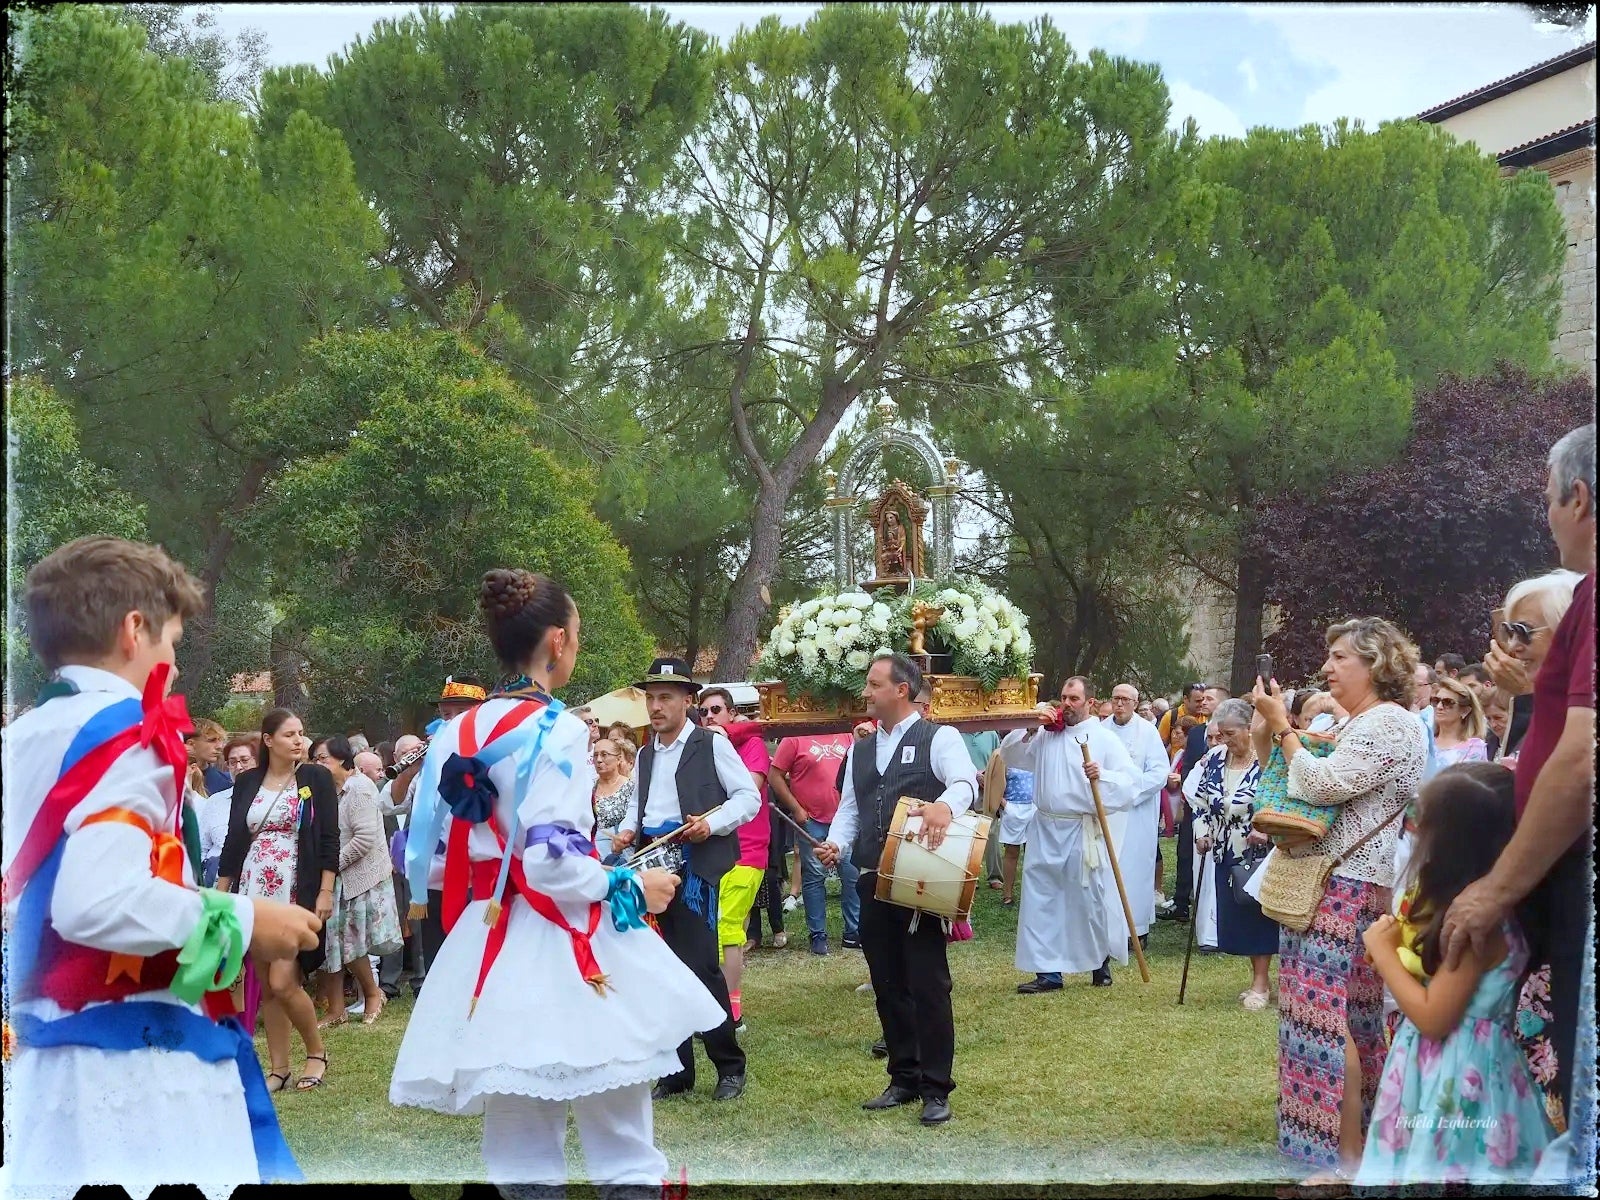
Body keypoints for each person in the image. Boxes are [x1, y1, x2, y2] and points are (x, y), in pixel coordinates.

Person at [389, 570, 725, 1197]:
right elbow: (550, 860)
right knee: (620, 1136)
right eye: (577, 634)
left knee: (519, 1144)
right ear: (556, 640)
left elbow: (435, 853)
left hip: (488, 939)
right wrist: (627, 886)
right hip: (564, 933)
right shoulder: (560, 729)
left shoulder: (456, 732)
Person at [2, 536, 318, 1196]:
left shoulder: (24, 735)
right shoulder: (132, 733)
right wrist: (244, 917)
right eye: (171, 640)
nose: (173, 664)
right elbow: (96, 900)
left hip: (49, 1048)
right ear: (133, 629)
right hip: (137, 1059)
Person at [1443, 423, 1595, 1149]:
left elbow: (1578, 759)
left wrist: (1496, 888)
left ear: (1579, 496)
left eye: (1523, 633)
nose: (1506, 646)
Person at [1251, 618, 1427, 1186]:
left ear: (1375, 663)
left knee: (1326, 1020)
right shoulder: (1361, 722)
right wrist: (1273, 728)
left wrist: (1284, 731)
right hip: (1342, 883)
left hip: (1341, 886)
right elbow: (1292, 776)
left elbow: (1322, 787)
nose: (1326, 668)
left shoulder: (1391, 722)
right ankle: (1356, 1145)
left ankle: (1343, 1159)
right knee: (1344, 1018)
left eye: (1338, 657)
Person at [1356, 762, 1554, 1186]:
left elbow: (1434, 1018)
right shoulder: (1488, 910)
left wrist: (1382, 951)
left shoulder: (1473, 926)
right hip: (1455, 1066)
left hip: (1458, 1077)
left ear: (1453, 843)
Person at [815, 654, 976, 1126]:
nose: (865, 692)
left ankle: (936, 1087)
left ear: (901, 690)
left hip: (920, 874)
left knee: (928, 982)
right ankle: (903, 1076)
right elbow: (850, 807)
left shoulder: (939, 737)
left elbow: (965, 781)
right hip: (871, 877)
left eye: (873, 684)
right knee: (887, 983)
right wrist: (837, 843)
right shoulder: (861, 749)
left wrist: (945, 805)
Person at [609, 657, 758, 1102]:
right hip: (649, 860)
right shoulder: (646, 752)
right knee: (658, 967)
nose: (655, 707)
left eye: (665, 699)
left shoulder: (710, 744)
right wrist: (631, 831)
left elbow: (748, 798)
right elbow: (641, 805)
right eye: (651, 699)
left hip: (694, 865)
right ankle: (676, 1071)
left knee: (700, 966)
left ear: (687, 701)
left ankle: (729, 1065)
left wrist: (710, 826)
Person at [215, 707, 340, 1092]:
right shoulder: (249, 781)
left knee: (285, 980)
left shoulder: (316, 778)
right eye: (289, 734)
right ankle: (279, 1067)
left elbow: (329, 838)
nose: (299, 740)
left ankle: (316, 1053)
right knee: (266, 984)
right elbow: (235, 839)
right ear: (268, 741)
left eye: (301, 733)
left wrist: (324, 890)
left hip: (295, 886)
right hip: (254, 885)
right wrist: (221, 891)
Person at [1001, 676, 1137, 992]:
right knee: (1042, 899)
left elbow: (1130, 783)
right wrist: (1031, 727)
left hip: (1080, 828)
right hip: (1045, 826)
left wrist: (1102, 774)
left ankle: (1098, 963)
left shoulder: (1103, 739)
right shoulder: (1046, 735)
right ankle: (1048, 972)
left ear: (1090, 702)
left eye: (1074, 698)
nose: (1066, 703)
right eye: (1064, 697)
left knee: (1087, 898)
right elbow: (1012, 755)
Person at [1185, 699, 1274, 1008]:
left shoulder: (1267, 760)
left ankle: (1260, 984)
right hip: (1223, 849)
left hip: (1258, 851)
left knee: (1257, 916)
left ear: (1250, 729)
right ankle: (1258, 980)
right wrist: (1202, 833)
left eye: (1231, 733)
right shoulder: (1213, 759)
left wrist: (1265, 827)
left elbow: (1279, 801)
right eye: (1220, 733)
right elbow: (1200, 804)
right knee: (1237, 915)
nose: (1224, 740)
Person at [310, 735, 403, 1028]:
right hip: (337, 878)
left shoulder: (360, 788)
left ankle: (374, 995)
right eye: (314, 759)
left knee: (351, 944)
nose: (318, 764)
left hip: (362, 877)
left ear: (342, 759)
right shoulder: (327, 790)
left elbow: (363, 839)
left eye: (323, 758)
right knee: (333, 943)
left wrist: (330, 866)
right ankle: (337, 1009)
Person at [698, 686, 771, 1030]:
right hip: (714, 848)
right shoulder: (705, 745)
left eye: (716, 710)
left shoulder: (750, 744)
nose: (709, 716)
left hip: (748, 848)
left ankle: (730, 1013)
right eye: (704, 712)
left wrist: (729, 737)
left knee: (727, 927)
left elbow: (750, 786)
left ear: (731, 714)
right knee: (715, 928)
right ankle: (717, 1006)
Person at [770, 731, 856, 955]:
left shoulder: (847, 734)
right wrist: (797, 809)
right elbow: (775, 775)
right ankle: (817, 934)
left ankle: (853, 932)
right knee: (814, 877)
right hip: (812, 820)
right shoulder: (794, 737)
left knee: (851, 874)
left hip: (844, 820)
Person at [1100, 683, 1168, 949]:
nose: (1119, 704)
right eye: (1116, 699)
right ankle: (1107, 927)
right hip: (1108, 811)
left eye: (1125, 700)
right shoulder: (1101, 730)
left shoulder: (1147, 732)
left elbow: (1159, 772)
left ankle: (1136, 930)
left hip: (1137, 812)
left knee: (1136, 869)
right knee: (1107, 867)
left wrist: (1130, 792)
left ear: (1135, 703)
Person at [1159, 685, 1226, 924]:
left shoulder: (1233, 733)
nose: (1203, 702)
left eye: (1210, 699)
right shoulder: (1197, 733)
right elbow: (1188, 766)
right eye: (1202, 698)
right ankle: (1181, 902)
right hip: (1194, 803)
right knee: (1185, 851)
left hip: (1222, 806)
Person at [200, 736, 258, 887]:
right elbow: (202, 848)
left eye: (244, 760)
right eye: (232, 762)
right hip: (216, 880)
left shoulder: (268, 801)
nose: (238, 767)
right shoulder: (215, 801)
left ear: (257, 762)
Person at [1429, 675, 1488, 768]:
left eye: (1448, 703)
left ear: (1465, 711)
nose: (1439, 707)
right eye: (1436, 701)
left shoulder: (1474, 747)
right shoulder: (1425, 741)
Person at [592, 737, 635, 860]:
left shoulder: (631, 787)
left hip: (623, 857)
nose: (599, 760)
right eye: (595, 755)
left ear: (618, 759)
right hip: (595, 857)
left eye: (604, 755)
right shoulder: (589, 789)